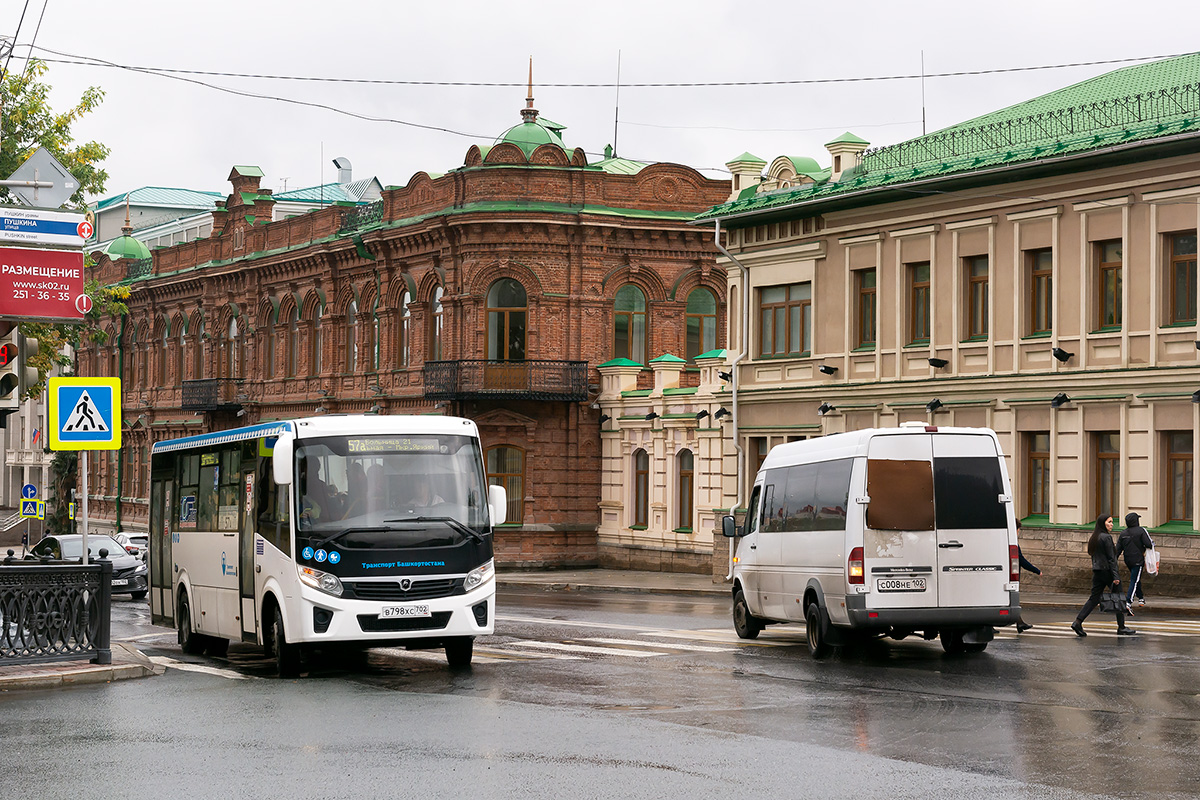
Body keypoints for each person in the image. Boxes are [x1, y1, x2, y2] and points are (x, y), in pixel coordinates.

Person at [1072, 514, 1136, 637]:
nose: (1112, 524)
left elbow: (1094, 555)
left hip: (1097, 571)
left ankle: (1078, 622)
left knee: (1094, 598)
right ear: (1103, 523)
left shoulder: (1094, 537)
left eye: (1112, 522)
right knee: (1118, 597)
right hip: (1108, 572)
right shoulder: (1106, 537)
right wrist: (1116, 576)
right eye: (1109, 522)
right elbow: (1111, 559)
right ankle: (1121, 627)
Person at [1117, 512, 1154, 612]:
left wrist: (1113, 562)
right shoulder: (1141, 531)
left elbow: (1118, 550)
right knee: (1134, 580)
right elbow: (1149, 544)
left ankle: (1141, 598)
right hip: (1138, 560)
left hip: (1127, 560)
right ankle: (1128, 602)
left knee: (1136, 578)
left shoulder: (1123, 533)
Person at [1015, 519, 1042, 633]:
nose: (1018, 532)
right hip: (1010, 577)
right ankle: (1019, 623)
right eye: (1018, 529)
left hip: (1004, 576)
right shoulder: (1012, 543)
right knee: (1010, 601)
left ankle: (1019, 623)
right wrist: (1036, 570)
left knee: (1008, 601)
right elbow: (1021, 560)